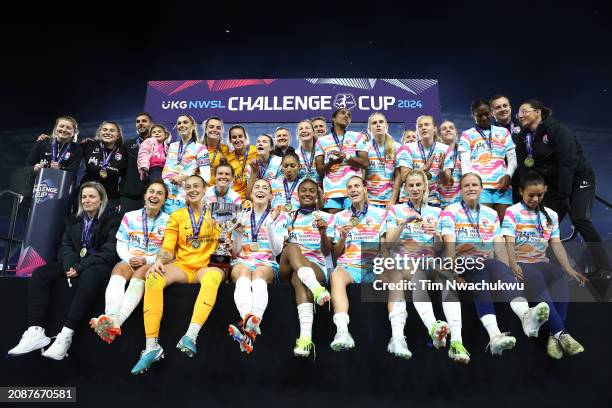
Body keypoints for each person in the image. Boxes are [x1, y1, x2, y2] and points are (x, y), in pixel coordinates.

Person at [439, 173, 551, 356]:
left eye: (475, 184)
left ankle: (525, 316)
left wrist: (508, 271)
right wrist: (453, 274)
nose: (471, 188)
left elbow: (499, 247)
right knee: (481, 272)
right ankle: (494, 334)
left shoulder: (490, 214)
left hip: (486, 262)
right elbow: (449, 246)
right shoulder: (450, 211)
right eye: (466, 185)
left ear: (482, 189)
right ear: (460, 190)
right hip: (462, 262)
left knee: (500, 268)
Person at [8, 182, 120, 360]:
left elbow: (109, 252)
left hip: (98, 265)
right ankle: (35, 331)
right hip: (75, 263)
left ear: (101, 200)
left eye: (92, 196)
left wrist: (80, 267)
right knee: (41, 273)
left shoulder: (113, 220)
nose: (87, 200)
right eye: (84, 197)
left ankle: (66, 334)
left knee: (90, 276)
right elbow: (65, 246)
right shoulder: (74, 220)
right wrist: (70, 266)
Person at [131, 175, 222, 374]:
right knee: (153, 277)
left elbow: (226, 245)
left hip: (205, 267)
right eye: (188, 187)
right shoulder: (177, 215)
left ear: (205, 188)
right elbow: (167, 248)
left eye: (196, 186)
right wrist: (158, 262)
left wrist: (231, 241)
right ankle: (151, 346)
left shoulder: (218, 214)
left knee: (214, 277)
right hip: (182, 267)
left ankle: (190, 336)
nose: (192, 190)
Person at [514, 100, 612, 278]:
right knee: (545, 223)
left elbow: (568, 162)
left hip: (578, 178)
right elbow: (525, 169)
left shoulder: (557, 129)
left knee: (580, 218)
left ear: (538, 112)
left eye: (524, 111)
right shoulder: (524, 137)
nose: (519, 116)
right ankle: (541, 266)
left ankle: (605, 267)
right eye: (518, 113)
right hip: (557, 184)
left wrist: (565, 194)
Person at [386, 169, 470, 363]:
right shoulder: (395, 210)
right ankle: (434, 327)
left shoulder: (437, 212)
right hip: (405, 263)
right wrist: (402, 224)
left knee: (448, 279)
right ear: (405, 188)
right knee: (417, 275)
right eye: (411, 185)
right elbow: (388, 244)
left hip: (430, 262)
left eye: (418, 185)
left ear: (425, 187)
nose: (415, 189)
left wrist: (436, 235)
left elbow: (439, 247)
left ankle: (457, 342)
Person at [502, 171, 587, 359]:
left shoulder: (551, 215)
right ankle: (562, 334)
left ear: (545, 191)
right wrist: (513, 263)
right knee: (536, 276)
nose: (535, 198)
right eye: (530, 195)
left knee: (559, 275)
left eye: (539, 195)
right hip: (523, 264)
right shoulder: (512, 212)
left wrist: (569, 268)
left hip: (542, 262)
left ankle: (553, 335)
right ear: (521, 192)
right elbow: (508, 241)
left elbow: (556, 244)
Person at [90, 180, 170, 343]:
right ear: (145, 195)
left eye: (159, 193)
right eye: (151, 191)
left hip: (153, 262)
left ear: (164, 200)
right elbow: (121, 244)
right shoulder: (130, 216)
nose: (154, 195)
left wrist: (147, 259)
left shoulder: (169, 221)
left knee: (141, 272)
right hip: (130, 259)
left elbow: (168, 251)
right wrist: (129, 259)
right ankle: (112, 316)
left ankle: (115, 322)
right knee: (119, 268)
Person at [329, 176, 388, 351]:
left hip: (373, 266)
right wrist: (343, 237)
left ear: (365, 188)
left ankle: (398, 336)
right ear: (346, 193)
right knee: (335, 274)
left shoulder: (381, 213)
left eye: (356, 186)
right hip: (350, 266)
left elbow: (385, 246)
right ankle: (342, 331)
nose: (353, 190)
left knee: (395, 275)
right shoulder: (339, 217)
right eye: (349, 187)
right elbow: (335, 254)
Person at [227, 179, 286, 353]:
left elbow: (276, 250)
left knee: (259, 273)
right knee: (244, 271)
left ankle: (251, 324)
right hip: (242, 261)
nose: (260, 190)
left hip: (266, 262)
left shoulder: (280, 215)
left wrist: (269, 223)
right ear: (251, 194)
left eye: (265, 188)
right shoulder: (241, 214)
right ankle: (249, 322)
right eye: (257, 187)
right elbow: (236, 251)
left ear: (270, 195)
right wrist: (237, 235)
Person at [278, 178, 333, 358]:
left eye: (312, 191)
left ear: (317, 195)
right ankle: (317, 290)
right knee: (292, 247)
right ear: (297, 194)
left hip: (314, 265)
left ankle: (305, 338)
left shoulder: (326, 218)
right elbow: (276, 248)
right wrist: (281, 242)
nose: (307, 194)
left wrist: (323, 232)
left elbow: (327, 252)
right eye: (304, 190)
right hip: (288, 264)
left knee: (298, 278)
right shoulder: (288, 216)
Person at [458, 99, 516, 222]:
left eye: (486, 114)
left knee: (504, 226)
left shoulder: (503, 132)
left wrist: (508, 175)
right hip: (481, 187)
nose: (484, 118)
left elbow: (512, 158)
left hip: (502, 185)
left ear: (491, 112)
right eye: (479, 115)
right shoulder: (467, 135)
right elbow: (465, 163)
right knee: (486, 226)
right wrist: (471, 185)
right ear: (473, 116)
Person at [315, 108, 369, 213]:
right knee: (334, 225)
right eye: (343, 113)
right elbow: (319, 170)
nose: (347, 116)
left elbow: (365, 163)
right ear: (333, 118)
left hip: (353, 190)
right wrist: (331, 163)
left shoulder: (357, 136)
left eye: (349, 115)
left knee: (353, 225)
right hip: (331, 192)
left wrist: (346, 157)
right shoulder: (321, 141)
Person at [25, 116, 83, 204]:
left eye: (68, 128)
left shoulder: (77, 149)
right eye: (61, 126)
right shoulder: (42, 143)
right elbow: (27, 167)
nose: (64, 129)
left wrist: (59, 170)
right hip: (36, 191)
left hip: (59, 194)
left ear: (73, 132)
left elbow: (72, 172)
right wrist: (35, 169)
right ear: (56, 128)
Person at [394, 115, 448, 207]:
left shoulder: (445, 149)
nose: (423, 128)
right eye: (420, 126)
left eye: (426, 124)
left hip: (432, 201)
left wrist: (442, 171)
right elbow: (404, 177)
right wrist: (424, 168)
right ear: (417, 130)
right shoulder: (406, 148)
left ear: (434, 128)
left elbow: (446, 182)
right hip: (408, 200)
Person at [161, 115, 211, 214]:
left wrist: (185, 177)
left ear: (193, 126)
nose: (181, 125)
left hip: (181, 196)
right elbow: (166, 170)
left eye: (185, 122)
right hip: (164, 194)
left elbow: (206, 177)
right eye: (179, 123)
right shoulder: (172, 146)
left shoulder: (201, 148)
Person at [80, 121, 128, 211]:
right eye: (104, 130)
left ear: (118, 136)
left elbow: (126, 177)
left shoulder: (124, 153)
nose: (108, 132)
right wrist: (47, 140)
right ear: (100, 133)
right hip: (87, 196)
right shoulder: (89, 145)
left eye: (112, 130)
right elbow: (69, 149)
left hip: (110, 199)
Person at [365, 112, 401, 209]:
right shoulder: (365, 147)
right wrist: (367, 201)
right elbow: (361, 176)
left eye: (381, 122)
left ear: (386, 126)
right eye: (374, 123)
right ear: (369, 129)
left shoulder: (397, 147)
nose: (378, 125)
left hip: (390, 201)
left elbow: (398, 176)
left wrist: (393, 200)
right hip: (369, 200)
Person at [120, 113, 153, 214]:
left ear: (151, 124)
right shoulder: (127, 144)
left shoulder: (160, 145)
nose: (140, 123)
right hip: (130, 195)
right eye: (138, 121)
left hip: (151, 195)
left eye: (144, 121)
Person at [226, 125, 258, 201]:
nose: (237, 140)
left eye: (240, 136)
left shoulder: (256, 151)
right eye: (234, 137)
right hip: (235, 200)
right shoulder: (228, 159)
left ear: (245, 137)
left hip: (254, 198)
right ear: (230, 140)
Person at [245, 134, 283, 198]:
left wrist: (258, 183)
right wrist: (253, 174)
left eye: (264, 142)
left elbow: (280, 188)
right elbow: (248, 195)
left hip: (275, 199)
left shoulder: (279, 162)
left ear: (271, 148)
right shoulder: (251, 166)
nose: (260, 143)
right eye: (258, 142)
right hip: (257, 201)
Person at [438, 121, 463, 209]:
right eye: (444, 129)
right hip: (440, 203)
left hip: (461, 203)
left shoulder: (464, 152)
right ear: (440, 135)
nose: (448, 130)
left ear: (456, 132)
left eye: (451, 128)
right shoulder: (436, 153)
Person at [201, 116, 230, 186]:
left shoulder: (225, 149)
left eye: (218, 128)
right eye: (211, 127)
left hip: (216, 191)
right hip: (199, 189)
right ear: (205, 129)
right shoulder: (197, 147)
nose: (215, 130)